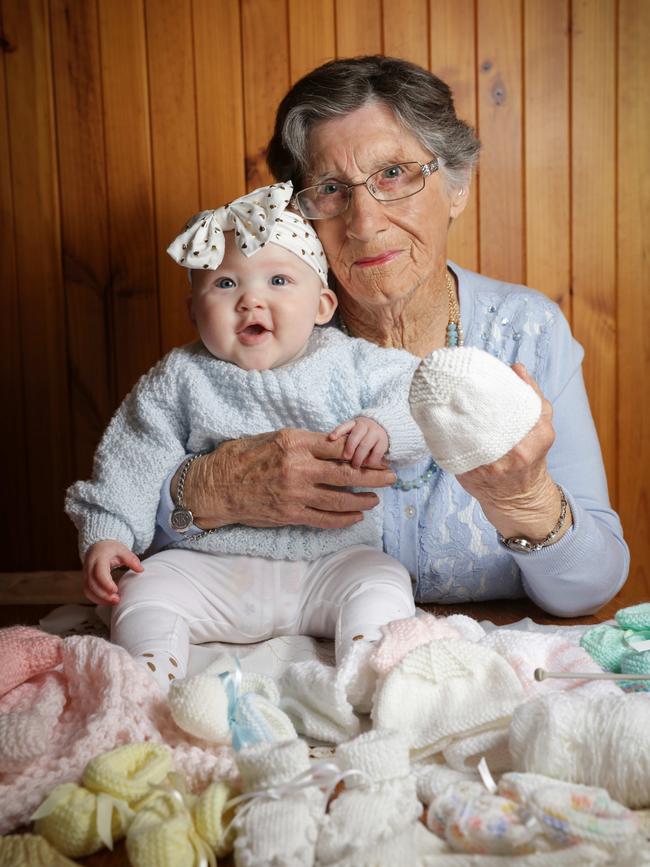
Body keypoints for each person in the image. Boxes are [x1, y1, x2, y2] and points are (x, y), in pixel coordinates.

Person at [155, 55, 629, 617]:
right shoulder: (257, 328)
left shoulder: (526, 331)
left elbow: (591, 588)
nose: (365, 221)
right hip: (307, 662)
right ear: (298, 219)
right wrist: (214, 489)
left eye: (394, 175)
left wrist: (526, 500)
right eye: (330, 188)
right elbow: (147, 559)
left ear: (456, 186)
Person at [65, 182, 440, 694]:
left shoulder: (347, 363)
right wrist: (108, 534)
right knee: (142, 590)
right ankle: (146, 681)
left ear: (323, 305)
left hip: (330, 563)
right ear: (193, 311)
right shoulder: (179, 377)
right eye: (223, 285)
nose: (250, 301)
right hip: (210, 567)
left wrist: (383, 425)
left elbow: (420, 391)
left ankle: (369, 676)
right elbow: (131, 456)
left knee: (382, 580)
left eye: (279, 280)